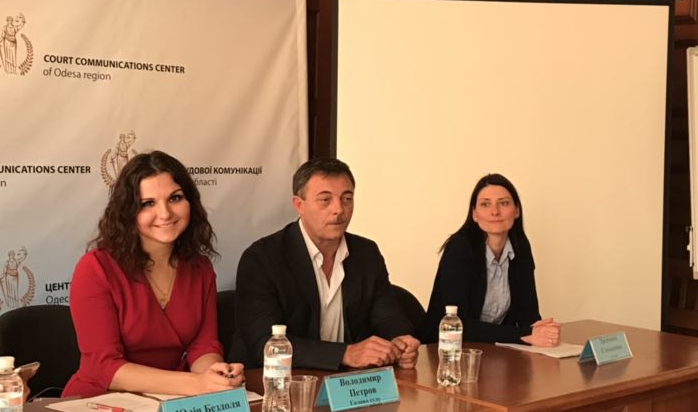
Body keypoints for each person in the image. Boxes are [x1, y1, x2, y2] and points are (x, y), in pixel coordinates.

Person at [63, 151, 243, 398]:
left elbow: (203, 346)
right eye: (148, 203)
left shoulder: (199, 268)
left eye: (175, 198)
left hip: (170, 399)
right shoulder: (95, 268)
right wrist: (196, 384)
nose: (165, 213)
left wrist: (216, 376)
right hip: (98, 401)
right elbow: (104, 366)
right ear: (128, 211)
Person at [232, 158, 421, 371]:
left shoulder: (366, 253)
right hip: (278, 381)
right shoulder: (262, 258)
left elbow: (388, 315)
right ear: (299, 205)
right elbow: (264, 342)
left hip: (349, 382)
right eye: (325, 200)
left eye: (347, 199)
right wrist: (345, 354)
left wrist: (401, 341)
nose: (339, 209)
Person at [424, 173, 561, 346]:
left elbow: (528, 316)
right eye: (485, 204)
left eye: (503, 203)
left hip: (495, 350)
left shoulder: (520, 246)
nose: (495, 212)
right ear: (474, 214)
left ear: (517, 211)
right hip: (446, 350)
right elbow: (457, 324)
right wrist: (524, 334)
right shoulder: (460, 248)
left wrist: (543, 331)